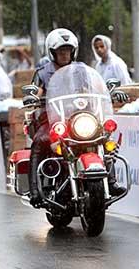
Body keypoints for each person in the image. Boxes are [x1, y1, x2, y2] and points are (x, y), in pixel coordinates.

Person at [28, 28, 126, 207]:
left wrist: (112, 93)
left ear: (73, 51)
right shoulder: (43, 72)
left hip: (80, 117)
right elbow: (36, 91)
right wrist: (32, 97)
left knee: (104, 137)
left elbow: (96, 86)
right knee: (39, 141)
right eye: (60, 51)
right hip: (53, 119)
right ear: (53, 52)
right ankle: (35, 190)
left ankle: (111, 182)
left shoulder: (81, 70)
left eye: (67, 50)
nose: (64, 54)